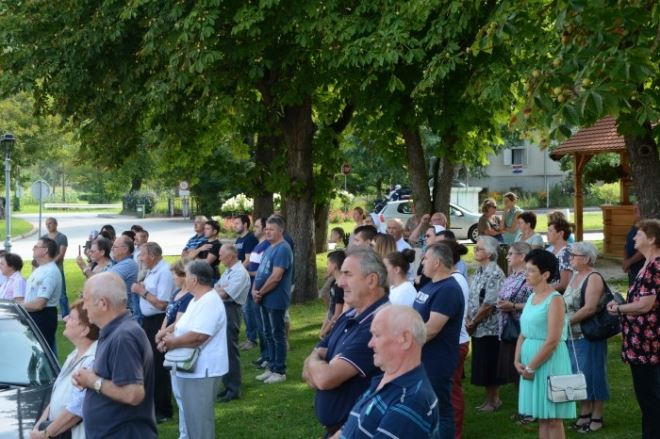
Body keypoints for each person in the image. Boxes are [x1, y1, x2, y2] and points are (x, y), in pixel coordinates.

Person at [303, 246, 389, 437]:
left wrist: (315, 361)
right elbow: (312, 368)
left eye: (348, 274)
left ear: (372, 280)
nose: (340, 282)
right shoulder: (349, 315)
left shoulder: (377, 325)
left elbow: (325, 379)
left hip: (355, 431)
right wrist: (318, 361)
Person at [334, 305, 440, 439]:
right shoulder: (384, 381)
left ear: (405, 339)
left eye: (377, 335)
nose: (370, 344)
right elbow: (349, 428)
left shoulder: (410, 401)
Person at [74, 272, 156, 438]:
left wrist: (93, 381)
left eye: (86, 300)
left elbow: (133, 394)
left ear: (103, 304)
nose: (84, 306)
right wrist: (90, 377)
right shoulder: (114, 332)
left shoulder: (123, 337)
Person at [157, 260, 228, 439]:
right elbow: (181, 325)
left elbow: (199, 336)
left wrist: (173, 343)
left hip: (203, 370)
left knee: (200, 422)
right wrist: (166, 336)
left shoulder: (210, 301)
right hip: (190, 369)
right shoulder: (197, 300)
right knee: (191, 419)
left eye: (186, 275)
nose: (184, 279)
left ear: (194, 280)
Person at [607, 219, 659, 439]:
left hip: (650, 345)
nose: (634, 237)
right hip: (639, 344)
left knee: (651, 397)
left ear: (652, 239)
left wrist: (619, 309)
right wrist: (621, 304)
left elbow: (645, 305)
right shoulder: (647, 264)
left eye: (639, 234)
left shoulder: (656, 266)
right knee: (646, 397)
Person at [515, 249, 575, 439]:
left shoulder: (555, 300)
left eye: (531, 270)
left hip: (549, 362)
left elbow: (552, 340)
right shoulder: (531, 297)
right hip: (530, 362)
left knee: (553, 418)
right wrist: (517, 360)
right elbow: (524, 332)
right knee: (542, 416)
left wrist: (531, 367)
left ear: (545, 274)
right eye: (526, 269)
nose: (526, 274)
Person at [414, 243, 465, 438]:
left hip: (437, 361)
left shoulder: (448, 289)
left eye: (425, 258)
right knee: (425, 410)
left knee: (440, 411)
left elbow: (432, 329)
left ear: (436, 262)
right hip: (422, 358)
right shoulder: (431, 285)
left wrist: (404, 342)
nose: (422, 262)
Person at [32, 300, 98, 439]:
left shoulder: (92, 360)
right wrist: (39, 426)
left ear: (84, 330)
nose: (65, 318)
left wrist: (46, 434)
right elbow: (56, 396)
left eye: (71, 318)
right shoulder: (74, 354)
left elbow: (76, 410)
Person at [563, 241, 610, 433]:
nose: (570, 258)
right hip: (572, 335)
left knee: (593, 374)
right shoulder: (575, 275)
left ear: (587, 259)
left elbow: (589, 308)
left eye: (574, 255)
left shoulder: (594, 277)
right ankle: (584, 413)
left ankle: (597, 416)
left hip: (588, 335)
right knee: (578, 375)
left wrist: (565, 323)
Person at [131, 242, 176, 423]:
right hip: (149, 321)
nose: (140, 259)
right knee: (149, 363)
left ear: (152, 255)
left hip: (159, 321)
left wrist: (142, 292)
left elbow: (163, 304)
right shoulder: (151, 270)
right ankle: (154, 403)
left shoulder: (164, 272)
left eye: (142, 255)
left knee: (159, 364)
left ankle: (163, 409)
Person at [252, 215, 293, 384]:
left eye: (271, 229)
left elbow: (276, 276)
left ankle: (279, 371)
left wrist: (260, 292)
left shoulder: (283, 248)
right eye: (266, 229)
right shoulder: (269, 247)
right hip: (264, 297)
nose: (267, 232)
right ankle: (271, 366)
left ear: (280, 231)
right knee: (268, 333)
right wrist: (254, 289)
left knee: (278, 335)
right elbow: (261, 272)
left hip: (275, 299)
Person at [466, 236, 506, 412]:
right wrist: (469, 320)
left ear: (489, 253)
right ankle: (488, 399)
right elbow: (473, 297)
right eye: (475, 248)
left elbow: (489, 303)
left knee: (490, 364)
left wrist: (474, 321)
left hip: (490, 328)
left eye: (479, 249)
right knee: (482, 364)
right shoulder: (479, 271)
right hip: (478, 327)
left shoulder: (494, 273)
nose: (475, 251)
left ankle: (494, 400)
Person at [495, 242, 533, 423]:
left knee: (523, 370)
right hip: (507, 329)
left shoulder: (529, 277)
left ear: (522, 256)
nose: (507, 257)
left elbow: (536, 302)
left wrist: (513, 306)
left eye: (511, 254)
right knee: (514, 371)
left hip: (521, 330)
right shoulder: (512, 275)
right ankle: (524, 408)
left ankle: (530, 410)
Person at [156, 259, 193, 439]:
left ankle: (187, 433)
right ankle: (183, 432)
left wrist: (162, 334)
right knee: (177, 392)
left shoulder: (189, 297)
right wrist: (161, 333)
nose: (173, 279)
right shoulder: (177, 293)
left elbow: (178, 322)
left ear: (184, 276)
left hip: (178, 343)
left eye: (174, 276)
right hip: (169, 341)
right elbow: (168, 315)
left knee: (184, 395)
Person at [215, 244, 251, 403]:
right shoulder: (229, 271)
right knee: (223, 350)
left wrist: (221, 289)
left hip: (231, 310)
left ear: (230, 257)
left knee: (230, 350)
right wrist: (220, 289)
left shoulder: (239, 273)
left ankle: (233, 389)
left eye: (221, 255)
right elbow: (217, 288)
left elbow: (224, 294)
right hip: (224, 309)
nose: (219, 258)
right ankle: (227, 385)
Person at [22, 238, 62, 353]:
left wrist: (18, 306)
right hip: (34, 315)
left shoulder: (50, 272)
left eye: (36, 246)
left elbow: (39, 304)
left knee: (40, 353)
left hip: (42, 317)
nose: (33, 248)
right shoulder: (40, 269)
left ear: (45, 250)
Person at [246, 217, 270, 364]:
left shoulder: (266, 246)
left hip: (260, 291)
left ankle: (268, 357)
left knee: (264, 326)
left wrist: (247, 273)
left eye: (256, 226)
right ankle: (264, 355)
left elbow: (264, 272)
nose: (254, 229)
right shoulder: (258, 246)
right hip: (253, 289)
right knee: (259, 325)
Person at [107, 236, 140, 324]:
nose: (112, 249)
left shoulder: (128, 264)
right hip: (117, 312)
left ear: (125, 249)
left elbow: (104, 280)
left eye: (115, 247)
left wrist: (85, 269)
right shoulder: (119, 263)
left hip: (122, 314)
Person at [42, 217, 69, 318]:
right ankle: (45, 314)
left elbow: (61, 254)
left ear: (56, 224)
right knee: (45, 292)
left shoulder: (62, 237)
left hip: (58, 269)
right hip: (44, 270)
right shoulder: (44, 238)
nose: (48, 226)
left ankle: (66, 315)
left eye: (50, 223)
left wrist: (50, 264)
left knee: (62, 294)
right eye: (46, 224)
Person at [319, 250, 346, 340]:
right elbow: (330, 309)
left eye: (328, 264)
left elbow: (337, 314)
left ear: (334, 266)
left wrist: (325, 330)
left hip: (336, 328)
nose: (327, 266)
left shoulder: (340, 287)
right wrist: (323, 327)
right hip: (330, 326)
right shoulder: (333, 283)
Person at [546, 218, 573, 293]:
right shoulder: (549, 250)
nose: (547, 234)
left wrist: (542, 291)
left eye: (550, 231)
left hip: (557, 295)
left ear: (561, 233)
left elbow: (563, 284)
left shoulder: (566, 253)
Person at [622, 203, 645, 286]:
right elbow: (626, 244)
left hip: (640, 266)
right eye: (633, 209)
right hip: (632, 268)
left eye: (636, 209)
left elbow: (644, 249)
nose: (634, 211)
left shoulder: (646, 226)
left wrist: (629, 262)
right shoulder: (634, 224)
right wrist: (625, 260)